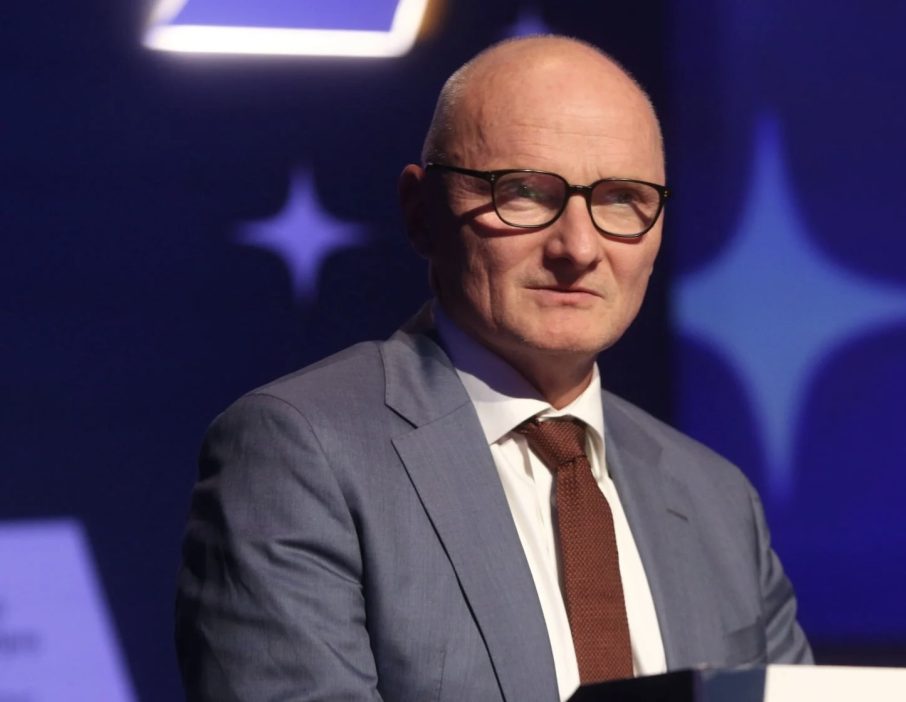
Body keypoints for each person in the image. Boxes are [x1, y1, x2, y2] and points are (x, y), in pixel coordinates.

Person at [175, 35, 812, 702]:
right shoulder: (301, 453)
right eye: (525, 192)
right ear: (421, 212)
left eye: (622, 198)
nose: (578, 248)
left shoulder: (718, 500)